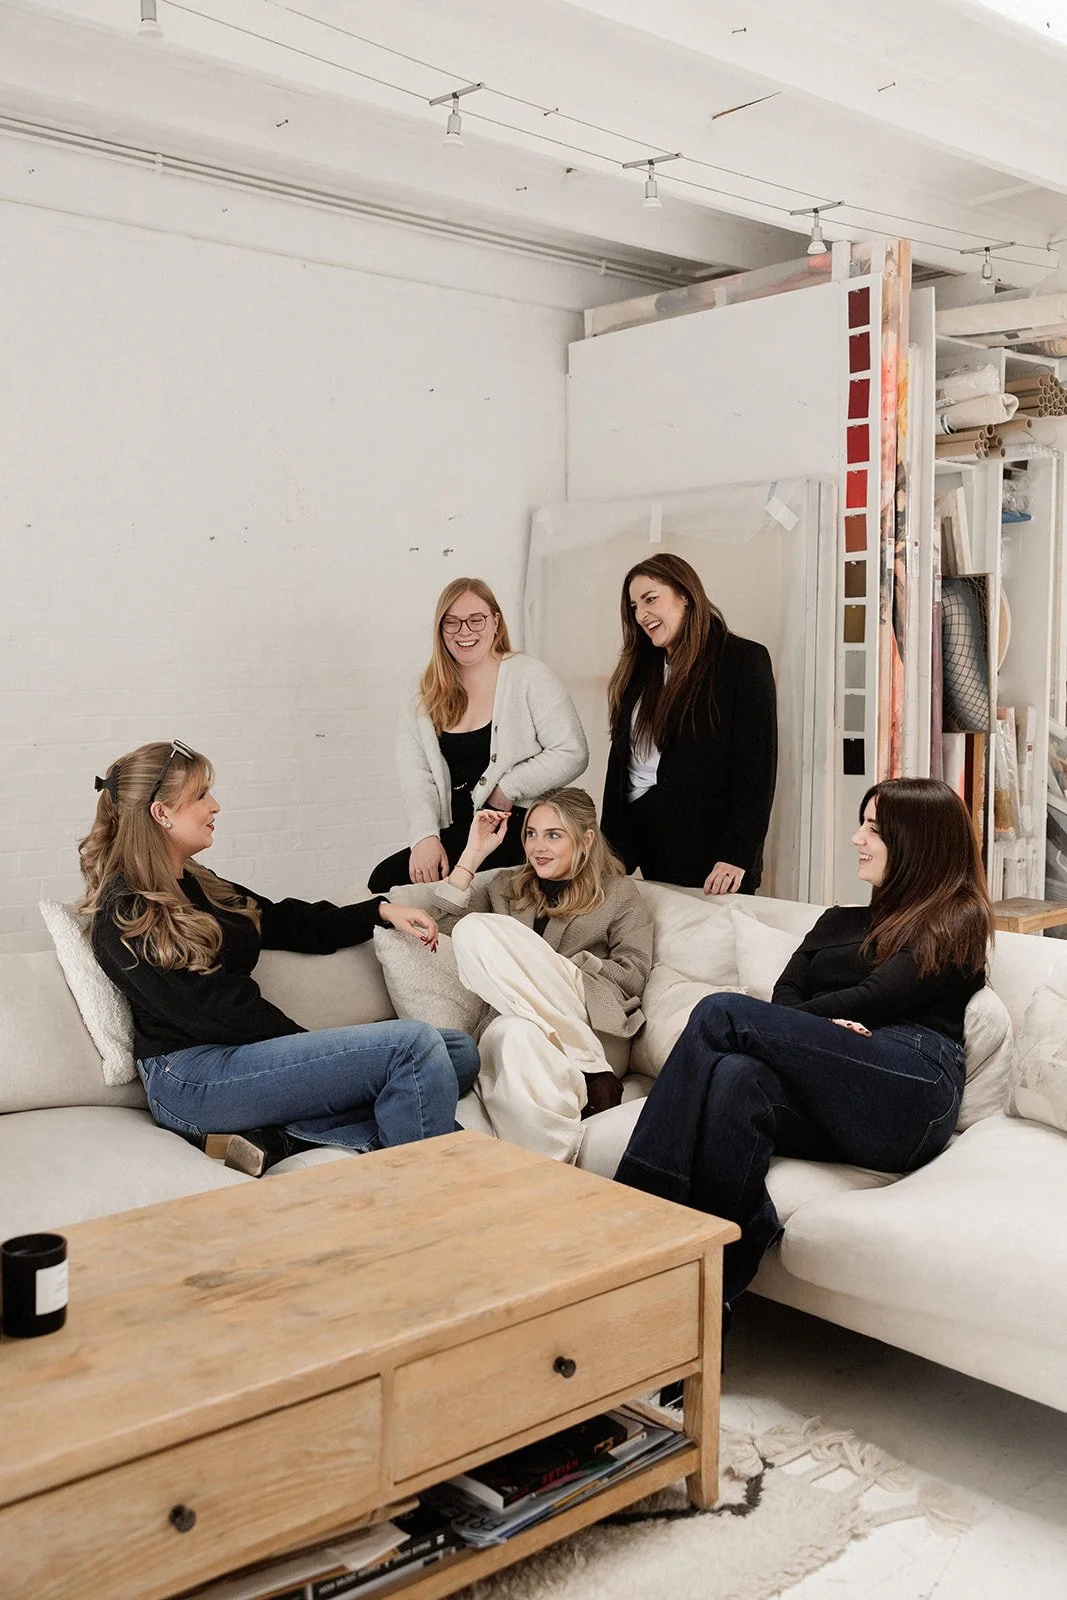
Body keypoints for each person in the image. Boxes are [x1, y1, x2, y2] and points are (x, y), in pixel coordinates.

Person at [615, 777, 994, 1311]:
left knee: (720, 1012)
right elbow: (784, 996)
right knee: (736, 1079)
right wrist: (817, 1035)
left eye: (874, 829)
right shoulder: (837, 920)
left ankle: (633, 1216)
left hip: (909, 1084)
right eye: (861, 824)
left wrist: (814, 1028)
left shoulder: (956, 920)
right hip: (829, 1088)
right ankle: (702, 1301)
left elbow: (878, 997)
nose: (857, 839)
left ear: (918, 842)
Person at [82, 740, 480, 1175]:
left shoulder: (197, 882)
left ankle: (277, 1138)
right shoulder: (127, 913)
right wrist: (316, 1053)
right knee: (414, 1048)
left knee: (457, 1051)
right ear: (162, 814)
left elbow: (282, 920)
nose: (214, 806)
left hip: (238, 1059)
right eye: (200, 796)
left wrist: (379, 910)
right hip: (192, 1079)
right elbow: (218, 1013)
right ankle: (430, 1191)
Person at [428, 787, 654, 1164]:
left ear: (586, 839)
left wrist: (556, 966)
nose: (538, 847)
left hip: (594, 1021)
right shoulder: (506, 887)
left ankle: (591, 1060)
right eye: (531, 833)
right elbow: (444, 927)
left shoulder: (618, 893)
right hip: (524, 1027)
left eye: (554, 835)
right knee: (510, 1030)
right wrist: (472, 854)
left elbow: (633, 975)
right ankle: (554, 1169)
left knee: (481, 932)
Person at [368, 577, 588, 892]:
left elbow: (573, 752)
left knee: (401, 886)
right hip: (455, 830)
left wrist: (509, 787)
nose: (465, 632)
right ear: (440, 629)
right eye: (452, 623)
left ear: (496, 622)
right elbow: (415, 775)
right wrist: (425, 837)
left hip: (512, 827)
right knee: (384, 880)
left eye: (476, 620)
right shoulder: (422, 691)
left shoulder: (528, 676)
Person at [602, 553, 777, 894]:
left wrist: (737, 853)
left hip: (713, 857)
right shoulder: (640, 670)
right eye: (634, 607)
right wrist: (609, 854)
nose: (642, 614)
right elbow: (622, 764)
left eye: (650, 599)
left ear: (685, 595)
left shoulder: (741, 660)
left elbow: (757, 768)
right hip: (645, 846)